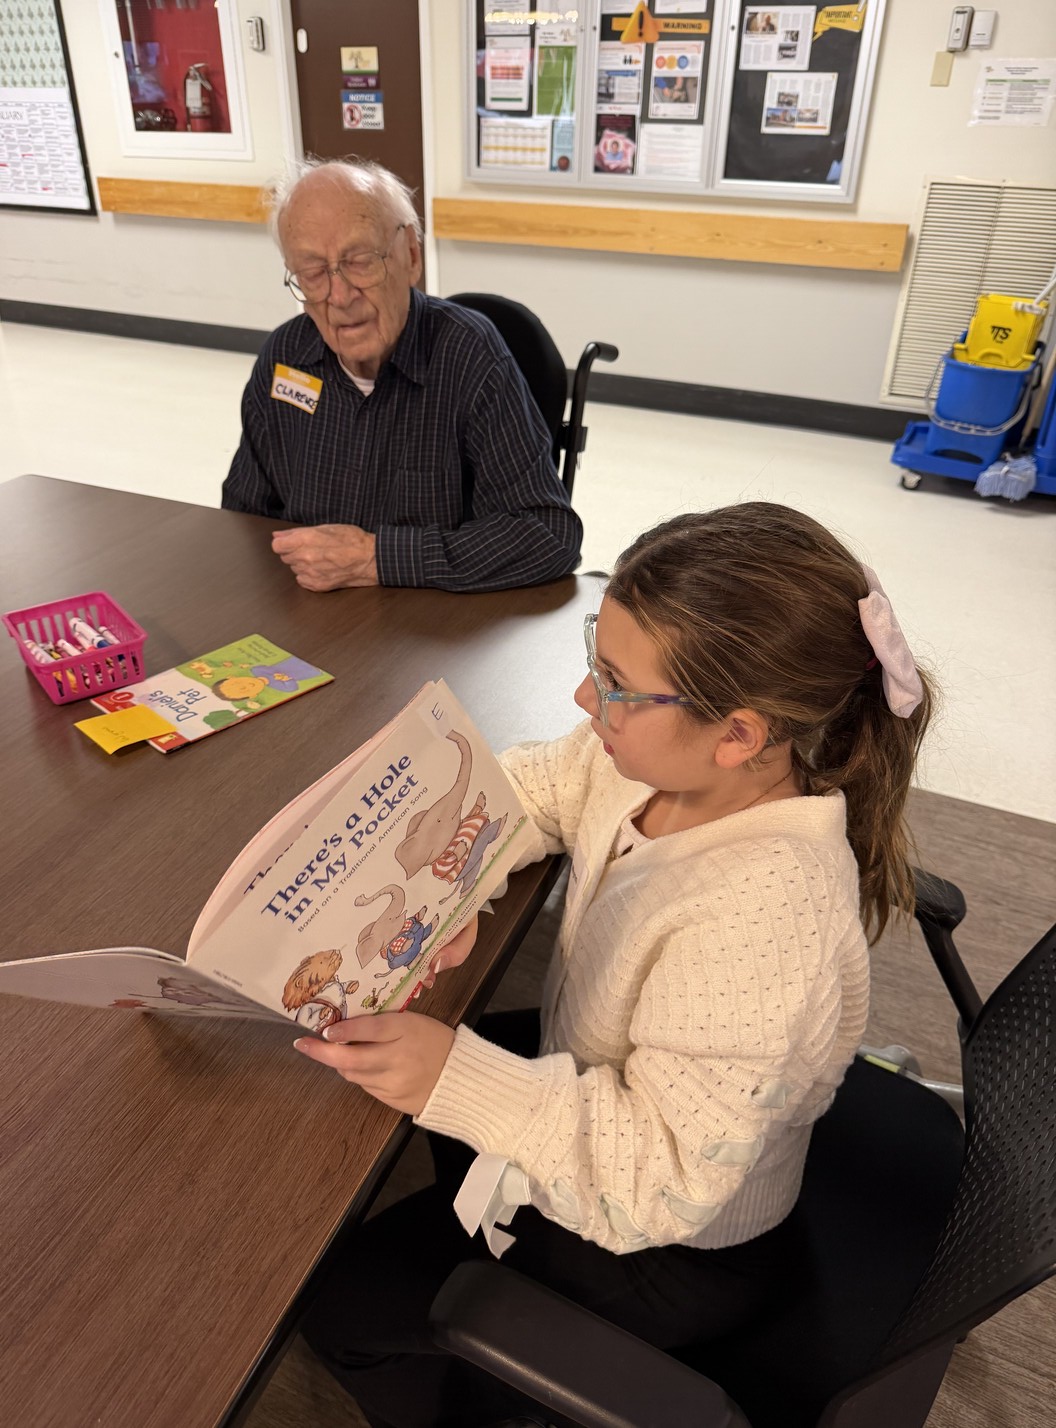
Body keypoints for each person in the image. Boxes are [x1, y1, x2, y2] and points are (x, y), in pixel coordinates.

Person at [292, 501, 935, 1428]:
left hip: (671, 1240)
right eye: (596, 659)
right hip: (598, 1074)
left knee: (336, 1302)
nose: (585, 700)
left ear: (739, 734)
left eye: (616, 684)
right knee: (411, 1099)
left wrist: (456, 1081)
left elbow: (661, 1181)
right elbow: (534, 788)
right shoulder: (652, 763)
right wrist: (457, 885)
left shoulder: (765, 915)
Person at [221, 158, 582, 593]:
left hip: (431, 618)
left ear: (411, 254)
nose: (340, 297)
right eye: (312, 273)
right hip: (309, 613)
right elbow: (241, 518)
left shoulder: (469, 355)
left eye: (360, 261)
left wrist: (376, 559)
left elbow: (548, 535)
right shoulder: (285, 357)